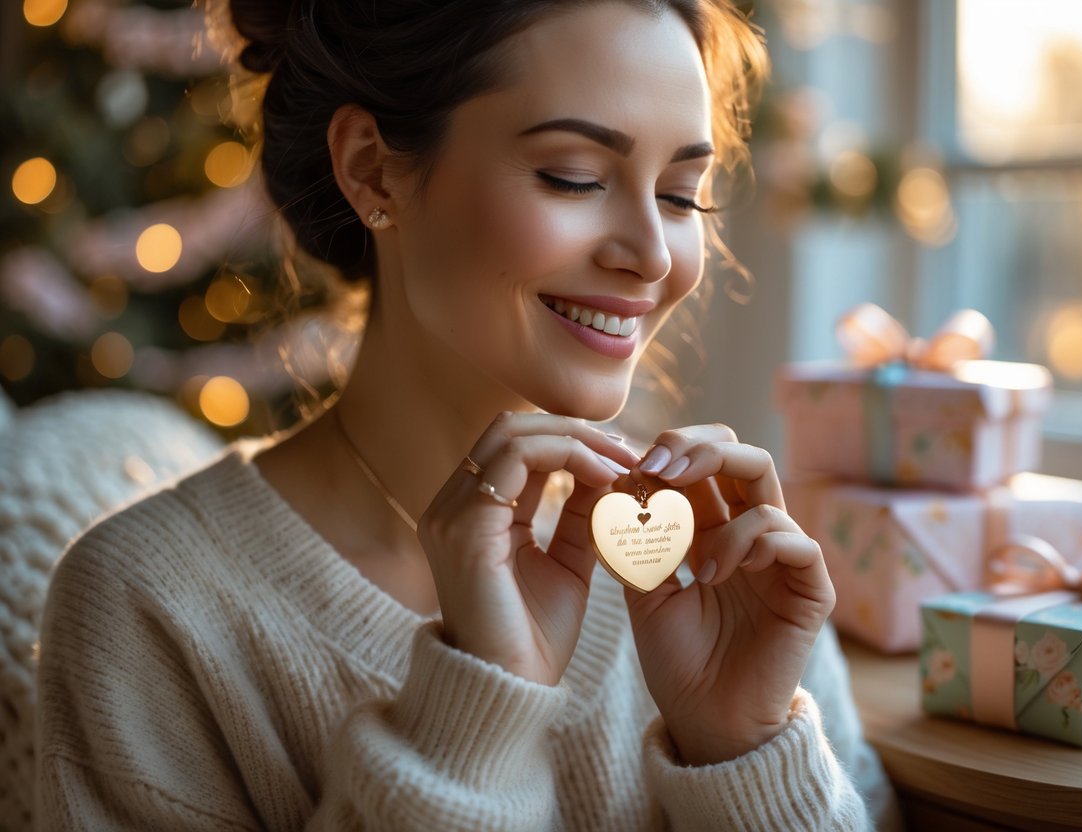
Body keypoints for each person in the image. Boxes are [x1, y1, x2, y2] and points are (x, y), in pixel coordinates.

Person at [35, 1, 897, 829]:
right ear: (372, 169)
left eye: (681, 196)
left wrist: (742, 751)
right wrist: (473, 714)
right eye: (575, 177)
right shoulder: (146, 608)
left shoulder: (719, 567)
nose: (649, 257)